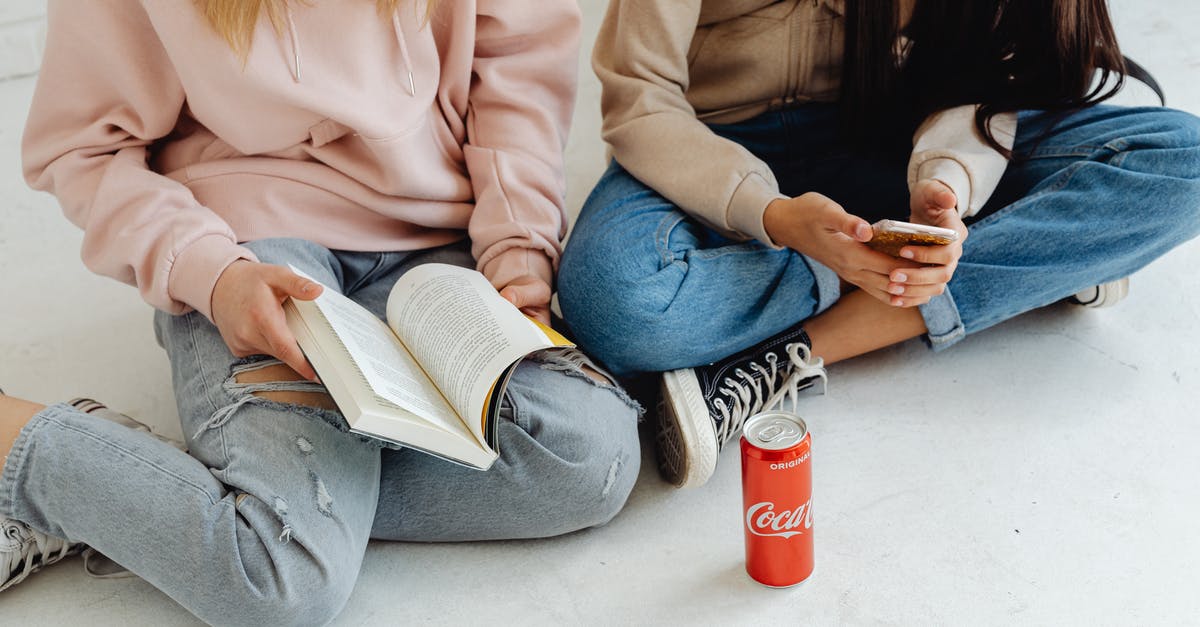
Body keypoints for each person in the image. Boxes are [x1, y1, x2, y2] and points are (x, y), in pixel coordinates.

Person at [0, 1, 642, 623]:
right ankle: (15, 437)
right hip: (248, 250)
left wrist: (519, 252)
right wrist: (213, 274)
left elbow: (517, 65)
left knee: (592, 464)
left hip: (435, 243)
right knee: (282, 578)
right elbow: (82, 149)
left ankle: (178, 481)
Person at [556, 0, 1200, 489]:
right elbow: (640, 103)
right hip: (706, 149)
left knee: (1183, 161)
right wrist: (773, 215)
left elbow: (980, 83)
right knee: (619, 304)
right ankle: (1037, 259)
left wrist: (945, 187)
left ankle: (789, 353)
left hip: (882, 142)